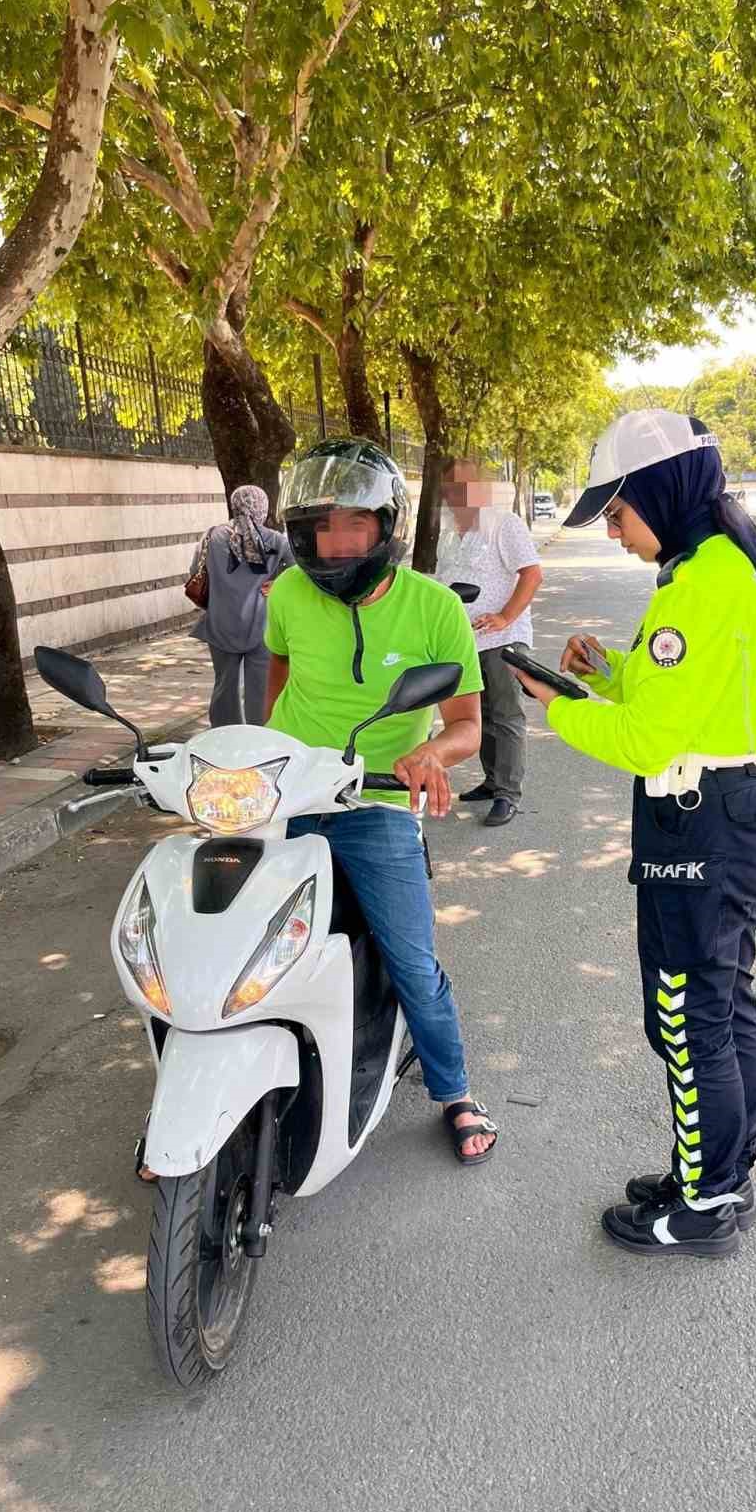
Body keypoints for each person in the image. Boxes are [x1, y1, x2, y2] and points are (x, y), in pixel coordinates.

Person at [513, 410, 756, 1257]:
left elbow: (647, 741)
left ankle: (704, 1203)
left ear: (661, 492)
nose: (614, 533)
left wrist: (558, 704)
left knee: (688, 1021)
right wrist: (610, 670)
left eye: (618, 513)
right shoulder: (711, 564)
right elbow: (685, 702)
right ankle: (718, 1173)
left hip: (704, 822)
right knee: (722, 1007)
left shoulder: (699, 586)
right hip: (729, 808)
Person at [264, 439, 498, 1164]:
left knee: (412, 960)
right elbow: (279, 669)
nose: (336, 543)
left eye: (355, 525)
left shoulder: (434, 609)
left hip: (376, 801)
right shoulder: (289, 593)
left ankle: (454, 1089)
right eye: (322, 527)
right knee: (226, 938)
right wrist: (267, 752)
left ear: (386, 528)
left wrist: (431, 753)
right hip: (284, 795)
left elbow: (467, 725)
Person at [436, 478, 543, 825]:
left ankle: (508, 794)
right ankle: (492, 781)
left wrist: (505, 616)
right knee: (479, 714)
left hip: (503, 638)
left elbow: (532, 574)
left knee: (506, 714)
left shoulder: (504, 523)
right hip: (464, 641)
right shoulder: (449, 533)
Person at [188, 484, 292, 726]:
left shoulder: (211, 536)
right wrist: (277, 583)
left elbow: (195, 572)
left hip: (221, 623)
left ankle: (225, 734)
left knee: (225, 685)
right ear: (263, 507)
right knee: (261, 687)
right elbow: (298, 573)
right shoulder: (276, 541)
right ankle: (260, 734)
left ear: (233, 505)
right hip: (262, 625)